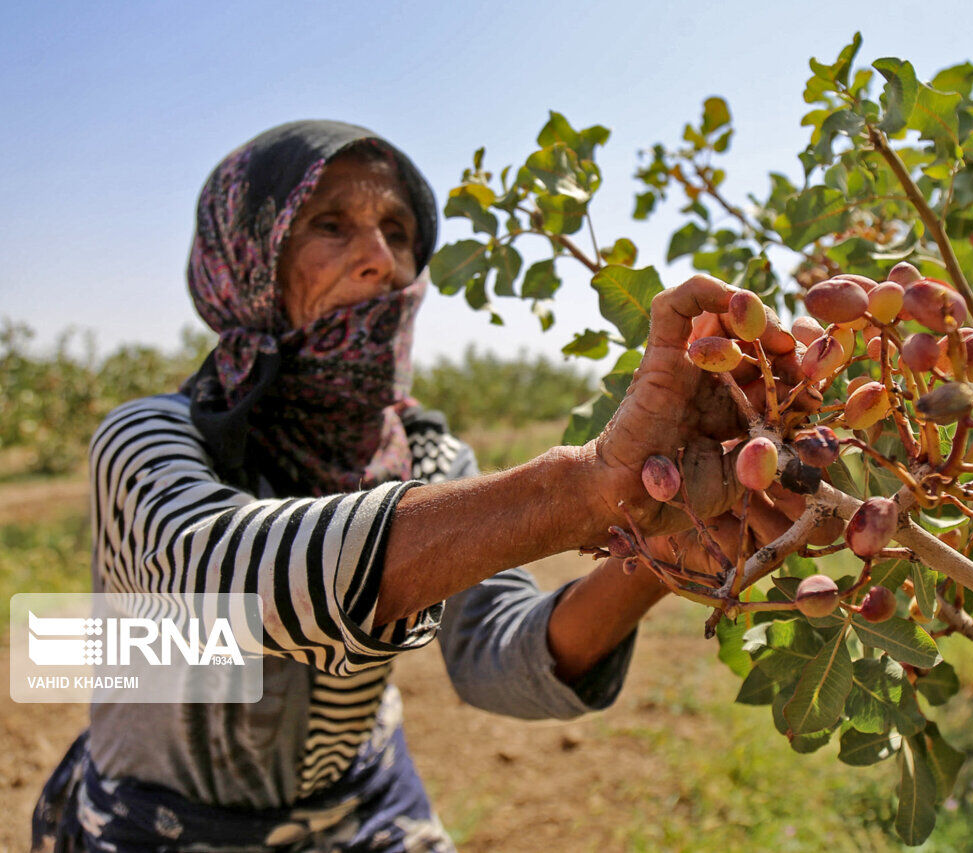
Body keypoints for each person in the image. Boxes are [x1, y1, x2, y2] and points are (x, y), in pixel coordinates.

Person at [29, 119, 758, 851]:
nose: (380, 258)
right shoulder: (149, 439)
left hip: (369, 811)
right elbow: (223, 580)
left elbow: (493, 655)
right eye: (329, 225)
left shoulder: (431, 459)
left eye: (398, 231)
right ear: (249, 258)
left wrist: (657, 552)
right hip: (161, 824)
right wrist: (582, 490)